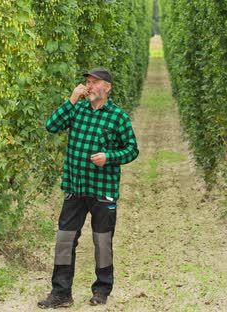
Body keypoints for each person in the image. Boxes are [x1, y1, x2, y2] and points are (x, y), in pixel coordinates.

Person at [38, 68, 139, 308]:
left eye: (95, 82)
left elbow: (132, 149)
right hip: (75, 188)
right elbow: (51, 126)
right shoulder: (77, 110)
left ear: (107, 87)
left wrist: (109, 157)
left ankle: (102, 290)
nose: (90, 86)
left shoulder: (117, 117)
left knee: (102, 241)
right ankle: (61, 293)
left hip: (103, 190)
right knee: (65, 240)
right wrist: (71, 99)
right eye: (88, 82)